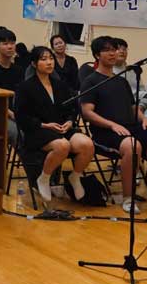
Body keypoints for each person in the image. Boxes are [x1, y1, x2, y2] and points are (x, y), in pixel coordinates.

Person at [79, 36, 147, 213]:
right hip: (106, 132)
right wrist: (111, 125)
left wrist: (144, 120)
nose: (113, 53)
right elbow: (87, 112)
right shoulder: (90, 81)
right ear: (97, 55)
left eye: (114, 49)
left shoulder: (121, 80)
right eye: (107, 50)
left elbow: (133, 108)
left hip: (130, 127)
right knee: (133, 146)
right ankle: (128, 198)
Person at [16, 46, 94, 201]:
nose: (49, 62)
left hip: (62, 128)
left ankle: (75, 176)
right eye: (44, 59)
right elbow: (22, 116)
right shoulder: (25, 87)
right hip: (38, 130)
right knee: (62, 146)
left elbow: (72, 108)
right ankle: (44, 178)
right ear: (34, 64)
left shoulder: (60, 85)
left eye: (51, 58)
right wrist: (44, 125)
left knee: (87, 144)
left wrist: (70, 121)